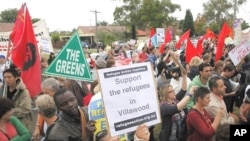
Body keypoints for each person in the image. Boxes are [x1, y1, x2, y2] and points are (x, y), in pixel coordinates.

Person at [159, 70, 195, 141]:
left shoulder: (175, 100)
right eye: (171, 91)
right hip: (170, 137)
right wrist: (190, 94)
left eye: (173, 90)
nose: (174, 92)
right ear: (165, 94)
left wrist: (184, 76)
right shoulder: (164, 107)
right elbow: (177, 108)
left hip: (180, 134)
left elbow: (183, 90)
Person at [2, 69, 33, 133]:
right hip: (4, 123)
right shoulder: (2, 89)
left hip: (20, 124)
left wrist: (7, 114)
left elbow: (26, 109)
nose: (7, 79)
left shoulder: (23, 91)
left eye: (9, 77)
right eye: (5, 77)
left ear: (16, 78)